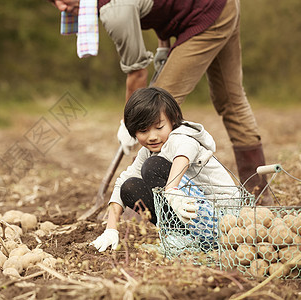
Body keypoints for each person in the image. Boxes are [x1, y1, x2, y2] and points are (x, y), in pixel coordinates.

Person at [47, 0, 271, 204]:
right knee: (231, 101)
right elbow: (162, 9)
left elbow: (137, 74)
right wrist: (164, 45)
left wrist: (129, 123)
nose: (61, 7)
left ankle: (150, 204)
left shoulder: (115, 11)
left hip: (206, 12)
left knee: (157, 104)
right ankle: (259, 198)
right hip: (221, 7)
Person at [90, 87, 239, 252]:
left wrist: (171, 189)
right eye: (143, 131)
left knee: (153, 166)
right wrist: (111, 229)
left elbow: (184, 152)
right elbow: (121, 183)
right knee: (129, 187)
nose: (152, 136)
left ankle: (200, 238)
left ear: (173, 120)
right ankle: (184, 237)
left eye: (159, 127)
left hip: (224, 220)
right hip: (196, 218)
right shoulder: (147, 152)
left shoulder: (182, 136)